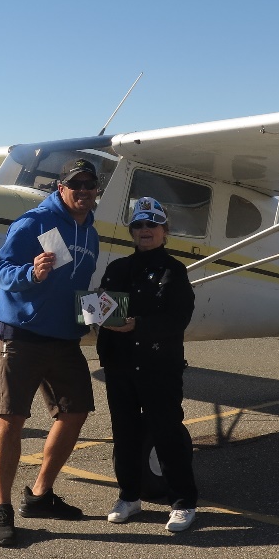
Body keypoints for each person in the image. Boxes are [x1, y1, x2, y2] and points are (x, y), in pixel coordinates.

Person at [0, 159, 101, 546]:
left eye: (91, 185)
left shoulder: (90, 232)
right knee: (12, 416)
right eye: (77, 184)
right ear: (60, 187)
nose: (84, 191)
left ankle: (39, 494)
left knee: (76, 412)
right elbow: (0, 270)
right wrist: (30, 274)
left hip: (64, 338)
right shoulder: (33, 222)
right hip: (23, 334)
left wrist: (94, 314)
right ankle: (2, 506)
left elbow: (77, 285)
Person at [97, 196, 198, 532]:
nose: (145, 230)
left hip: (159, 367)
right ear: (132, 232)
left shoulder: (174, 271)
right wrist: (96, 320)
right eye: (138, 225)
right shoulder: (117, 269)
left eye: (152, 224)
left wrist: (138, 324)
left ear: (164, 231)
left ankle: (183, 501)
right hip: (121, 367)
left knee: (166, 433)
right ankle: (128, 496)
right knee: (124, 433)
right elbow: (100, 310)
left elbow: (178, 318)